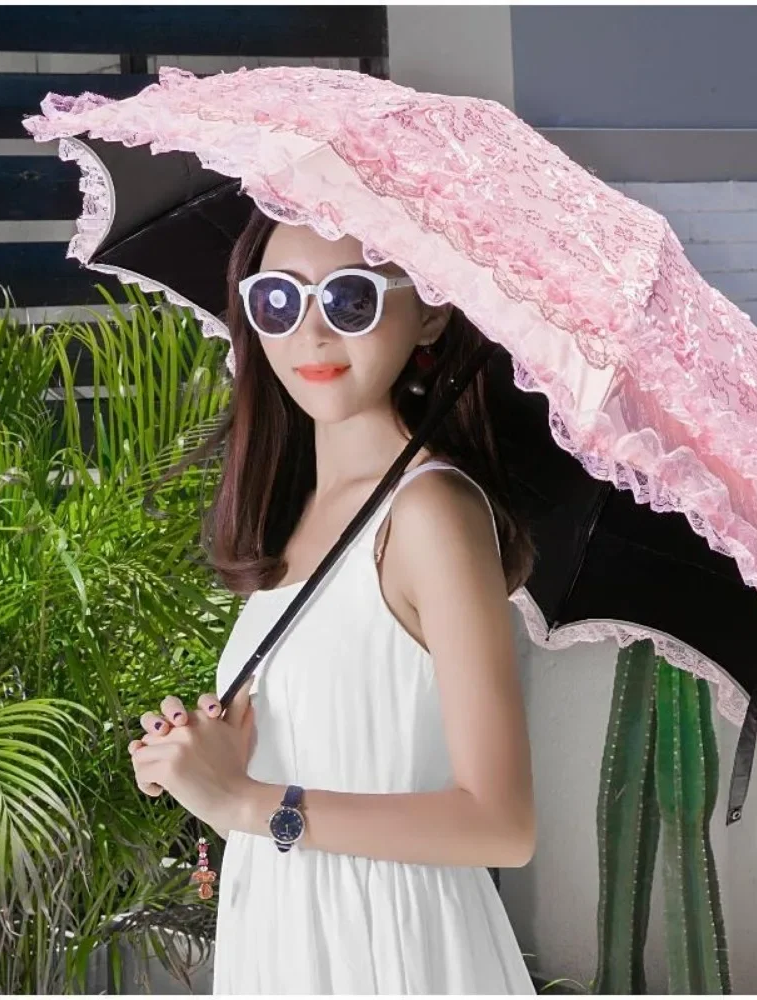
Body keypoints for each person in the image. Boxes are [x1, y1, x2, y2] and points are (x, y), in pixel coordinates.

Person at [127, 205, 539, 994]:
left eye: (350, 299)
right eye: (278, 300)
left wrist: (251, 803)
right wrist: (206, 771)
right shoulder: (300, 516)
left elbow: (503, 824)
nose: (310, 334)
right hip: (283, 935)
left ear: (430, 311)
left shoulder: (431, 513)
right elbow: (312, 776)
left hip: (391, 950)